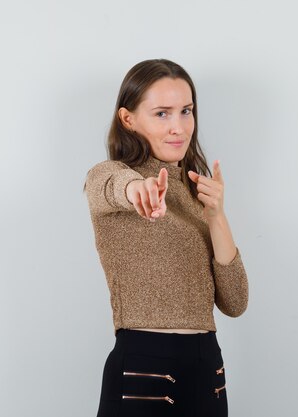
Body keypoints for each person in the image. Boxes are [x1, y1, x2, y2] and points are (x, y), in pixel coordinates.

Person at [83, 58, 249, 417]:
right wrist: (137, 190)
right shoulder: (111, 175)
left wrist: (217, 217)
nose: (179, 127)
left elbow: (235, 302)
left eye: (186, 111)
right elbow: (107, 188)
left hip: (208, 368)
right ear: (128, 119)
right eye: (162, 113)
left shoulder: (195, 193)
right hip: (146, 366)